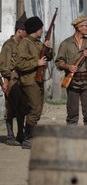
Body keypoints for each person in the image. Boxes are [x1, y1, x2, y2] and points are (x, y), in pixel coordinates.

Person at [13, 16, 53, 149]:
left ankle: (29, 135)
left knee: (38, 109)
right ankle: (28, 138)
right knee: (35, 109)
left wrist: (48, 48)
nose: (42, 30)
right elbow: (19, 63)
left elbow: (49, 57)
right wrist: (36, 63)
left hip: (38, 79)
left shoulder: (37, 42)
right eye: (40, 28)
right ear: (35, 29)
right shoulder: (24, 43)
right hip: (29, 80)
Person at [56, 16, 87, 126]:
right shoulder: (66, 44)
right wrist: (68, 67)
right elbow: (59, 62)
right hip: (73, 83)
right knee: (72, 114)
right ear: (79, 27)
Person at [0, 13, 27, 145]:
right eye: (25, 31)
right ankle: (10, 135)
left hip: (23, 80)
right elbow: (4, 66)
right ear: (19, 31)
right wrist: (6, 81)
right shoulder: (8, 45)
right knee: (10, 108)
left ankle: (20, 134)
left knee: (22, 107)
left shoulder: (24, 44)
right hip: (11, 80)